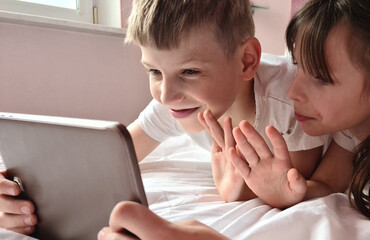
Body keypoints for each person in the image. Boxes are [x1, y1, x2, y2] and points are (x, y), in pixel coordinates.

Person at [99, 0, 370, 239]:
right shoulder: (359, 120)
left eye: (320, 78)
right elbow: (327, 183)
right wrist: (288, 193)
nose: (292, 92)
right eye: (297, 68)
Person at [0, 0, 348, 235]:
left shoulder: (289, 101)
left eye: (190, 71)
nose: (166, 95)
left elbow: (299, 185)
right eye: (153, 71)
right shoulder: (175, 104)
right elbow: (113, 153)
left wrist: (240, 195)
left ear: (246, 61)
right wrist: (23, 185)